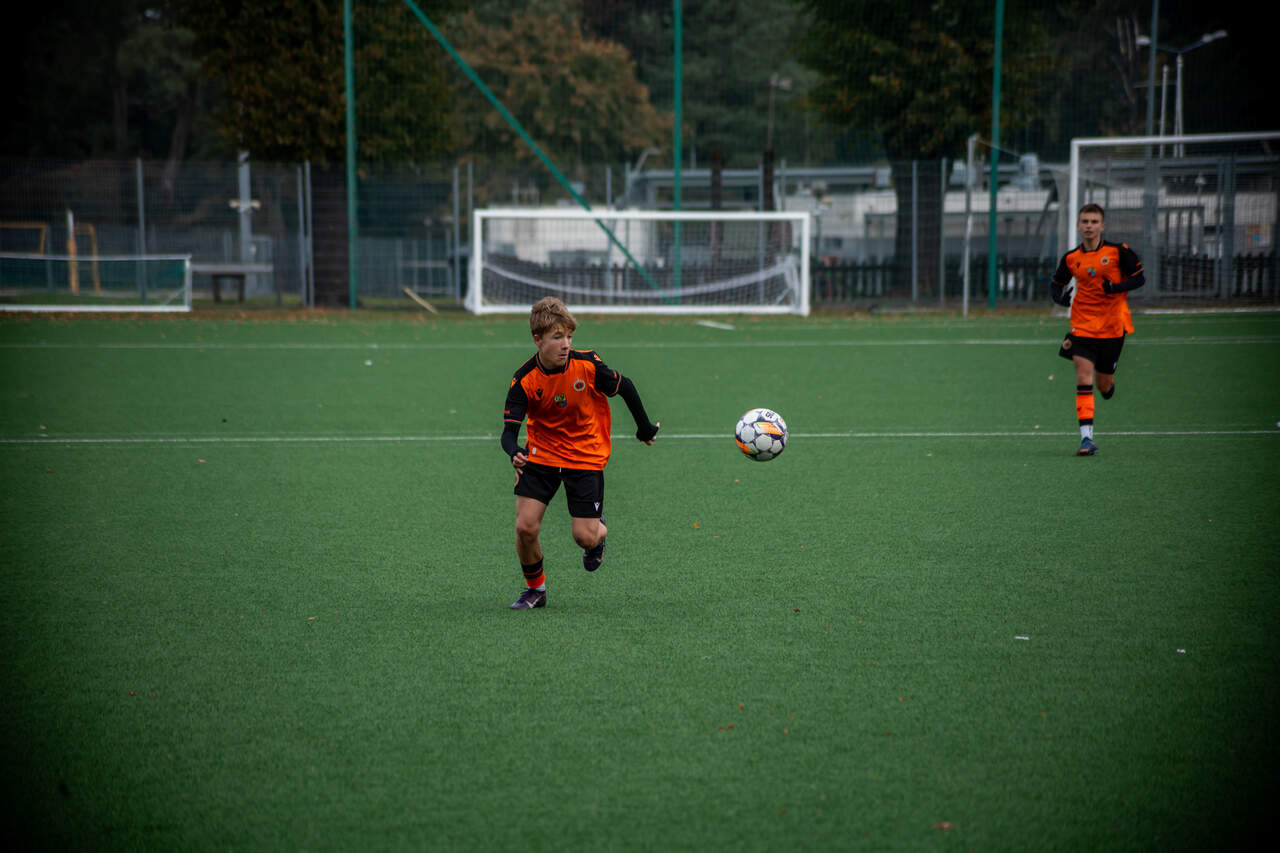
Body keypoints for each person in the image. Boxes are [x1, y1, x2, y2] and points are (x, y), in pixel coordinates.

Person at [501, 296, 660, 610]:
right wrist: (514, 451)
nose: (565, 345)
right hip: (542, 455)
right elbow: (508, 433)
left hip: (585, 455)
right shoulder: (524, 380)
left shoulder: (587, 365)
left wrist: (644, 429)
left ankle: (599, 530)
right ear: (537, 339)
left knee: (585, 537)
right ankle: (535, 590)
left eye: (569, 337)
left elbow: (626, 386)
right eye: (557, 337)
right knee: (525, 527)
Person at [1050, 203, 1145, 456]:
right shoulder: (1071, 258)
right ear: (1078, 225)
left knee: (1103, 385)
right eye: (1085, 221)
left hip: (1113, 326)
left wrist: (1115, 288)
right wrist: (1059, 298)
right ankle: (1086, 439)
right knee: (1083, 377)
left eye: (1094, 222)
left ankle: (1108, 386)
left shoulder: (1118, 252)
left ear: (1102, 226)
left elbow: (1139, 278)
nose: (1089, 226)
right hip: (1082, 325)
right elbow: (1056, 283)